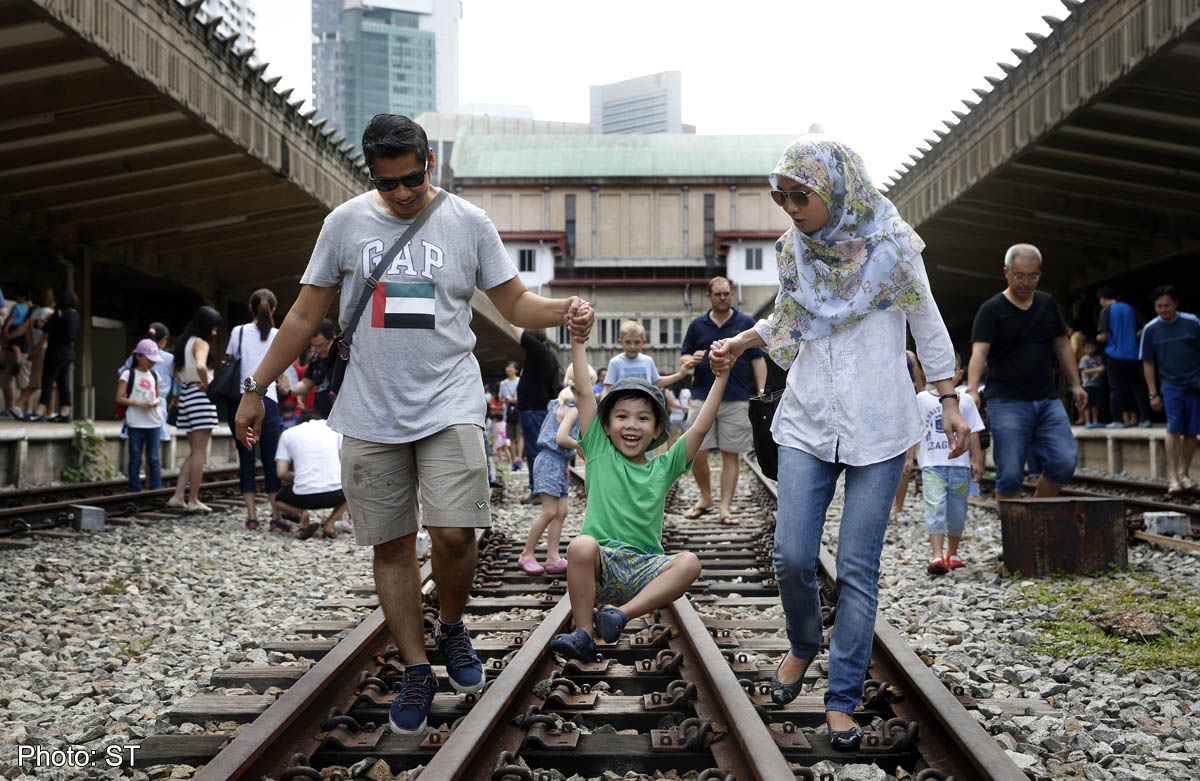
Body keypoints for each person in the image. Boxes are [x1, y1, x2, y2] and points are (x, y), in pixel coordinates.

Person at [233, 113, 594, 737]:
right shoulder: (343, 224)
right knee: (393, 544)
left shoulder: (467, 222)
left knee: (455, 535)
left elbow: (512, 304)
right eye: (388, 182)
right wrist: (255, 387)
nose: (402, 193)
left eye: (411, 178)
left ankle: (451, 627)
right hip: (370, 409)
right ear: (371, 174)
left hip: (450, 400)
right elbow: (302, 316)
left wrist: (561, 307)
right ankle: (416, 666)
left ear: (429, 161)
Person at [707, 136, 969, 749]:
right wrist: (746, 340)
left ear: (838, 190)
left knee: (856, 566)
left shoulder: (894, 249)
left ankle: (843, 696)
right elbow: (794, 318)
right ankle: (803, 642)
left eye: (802, 196)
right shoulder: (793, 251)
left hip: (880, 424)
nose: (791, 208)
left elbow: (926, 318)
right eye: (783, 198)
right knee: (793, 555)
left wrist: (949, 397)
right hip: (808, 417)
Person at [550, 305, 716, 661]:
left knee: (689, 563)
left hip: (644, 568)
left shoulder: (664, 465)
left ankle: (618, 615)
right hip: (602, 562)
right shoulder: (597, 450)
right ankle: (583, 633)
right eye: (621, 416)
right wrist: (579, 341)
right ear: (606, 425)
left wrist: (720, 378)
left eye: (643, 418)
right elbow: (582, 393)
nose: (631, 425)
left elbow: (700, 426)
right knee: (580, 545)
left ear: (658, 430)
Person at [967, 244, 1086, 504]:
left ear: (1039, 275)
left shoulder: (1047, 304)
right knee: (1009, 474)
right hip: (1006, 402)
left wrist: (1076, 384)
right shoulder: (992, 309)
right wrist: (973, 389)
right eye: (1019, 275)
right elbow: (980, 352)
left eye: (1032, 276)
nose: (1026, 282)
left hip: (1047, 399)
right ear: (1006, 273)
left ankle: (1035, 513)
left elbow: (1063, 345)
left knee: (1064, 462)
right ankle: (1014, 533)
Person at [678, 277, 766, 525]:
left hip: (736, 397)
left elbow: (757, 358)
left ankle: (725, 508)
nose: (723, 298)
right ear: (709, 296)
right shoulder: (697, 325)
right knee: (696, 452)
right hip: (701, 397)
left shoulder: (745, 323)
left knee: (731, 454)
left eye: (726, 294)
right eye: (718, 294)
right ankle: (705, 498)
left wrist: (760, 390)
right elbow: (683, 357)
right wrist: (690, 359)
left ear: (731, 295)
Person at [519, 362, 595, 576]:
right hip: (551, 461)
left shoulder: (560, 403)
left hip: (559, 463)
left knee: (561, 511)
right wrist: (580, 445)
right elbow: (561, 438)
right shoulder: (571, 410)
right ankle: (527, 554)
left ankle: (553, 557)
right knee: (550, 511)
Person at [914, 352, 985, 574]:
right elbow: (914, 431)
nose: (946, 373)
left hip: (960, 466)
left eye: (952, 369)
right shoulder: (922, 399)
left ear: (960, 374)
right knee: (934, 506)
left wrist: (977, 460)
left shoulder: (966, 401)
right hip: (932, 464)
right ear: (929, 372)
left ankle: (952, 552)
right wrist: (907, 459)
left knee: (957, 509)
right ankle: (936, 555)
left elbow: (973, 432)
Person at [226, 289, 288, 532]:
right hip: (269, 401)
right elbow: (282, 375)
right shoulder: (279, 335)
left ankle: (251, 517)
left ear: (251, 309)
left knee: (247, 458)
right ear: (272, 310)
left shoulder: (237, 332)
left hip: (241, 401)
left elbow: (231, 360)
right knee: (271, 459)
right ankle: (276, 515)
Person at [1140, 285, 1200, 494]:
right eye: (1159, 306)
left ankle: (1184, 473)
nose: (1163, 310)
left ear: (1176, 304)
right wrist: (1152, 392)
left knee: (1192, 431)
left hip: (1194, 385)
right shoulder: (1151, 329)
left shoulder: (1193, 323)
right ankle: (1173, 476)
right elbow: (1148, 363)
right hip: (1170, 386)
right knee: (1174, 428)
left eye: (1167, 305)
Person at [169, 305, 222, 512]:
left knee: (193, 451)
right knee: (200, 452)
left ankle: (178, 495)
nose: (215, 332)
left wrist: (189, 382)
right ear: (206, 327)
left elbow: (175, 371)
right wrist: (208, 384)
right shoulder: (201, 343)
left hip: (187, 394)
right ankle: (193, 499)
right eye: (214, 328)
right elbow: (201, 366)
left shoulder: (183, 343)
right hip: (201, 396)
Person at [275, 409, 350, 539]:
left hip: (304, 497)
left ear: (298, 422)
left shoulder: (287, 434)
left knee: (278, 501)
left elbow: (281, 473)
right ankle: (329, 525)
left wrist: (298, 477)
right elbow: (345, 462)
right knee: (351, 494)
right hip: (335, 494)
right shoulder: (334, 428)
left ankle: (301, 514)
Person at [116, 323, 174, 487]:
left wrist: (155, 402)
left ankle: (156, 489)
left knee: (154, 458)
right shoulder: (130, 374)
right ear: (139, 356)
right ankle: (135, 488)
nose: (152, 363)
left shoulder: (155, 374)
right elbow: (119, 397)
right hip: (135, 421)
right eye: (149, 359)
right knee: (135, 457)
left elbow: (157, 395)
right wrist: (139, 404)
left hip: (154, 420)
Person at [515, 327, 561, 503]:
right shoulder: (548, 354)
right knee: (538, 449)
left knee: (534, 451)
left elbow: (515, 328)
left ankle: (538, 490)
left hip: (533, 410)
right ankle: (542, 488)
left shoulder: (538, 350)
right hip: (537, 409)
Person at [1097, 287, 1151, 428]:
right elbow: (1146, 326)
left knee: (1116, 388)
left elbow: (1103, 335)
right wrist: (1135, 336)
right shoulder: (1130, 308)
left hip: (1114, 354)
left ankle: (1118, 420)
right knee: (1138, 387)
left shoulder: (1106, 311)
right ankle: (1145, 419)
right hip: (1133, 354)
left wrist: (1098, 338)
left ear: (1102, 299)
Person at [28, 287, 80, 423]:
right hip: (68, 353)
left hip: (55, 352)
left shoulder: (59, 312)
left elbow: (47, 328)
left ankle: (39, 412)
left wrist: (37, 323)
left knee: (47, 381)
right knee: (63, 382)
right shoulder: (75, 314)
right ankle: (65, 412)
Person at [601, 320, 690, 393]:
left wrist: (680, 375)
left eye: (637, 342)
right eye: (628, 342)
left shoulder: (648, 360)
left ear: (643, 342)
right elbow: (607, 388)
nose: (632, 346)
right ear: (621, 342)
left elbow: (656, 382)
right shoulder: (615, 362)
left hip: (645, 406)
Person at [890, 350, 926, 525]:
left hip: (904, 413)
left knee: (904, 464)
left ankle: (898, 510)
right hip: (881, 412)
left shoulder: (909, 356)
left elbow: (919, 389)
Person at [14, 288, 54, 419]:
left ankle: (47, 411)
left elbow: (29, 334)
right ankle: (19, 405)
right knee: (43, 382)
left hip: (36, 349)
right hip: (46, 349)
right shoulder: (49, 313)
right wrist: (39, 348)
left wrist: (32, 348)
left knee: (39, 381)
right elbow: (47, 334)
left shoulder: (35, 312)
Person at [291, 319, 336, 418]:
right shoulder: (316, 358)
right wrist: (290, 386)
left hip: (337, 417)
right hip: (319, 416)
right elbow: (306, 384)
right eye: (314, 346)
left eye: (321, 345)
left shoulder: (343, 356)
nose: (318, 350)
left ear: (333, 339)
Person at [0, 287, 32, 418]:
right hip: (17, 348)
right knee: (13, 381)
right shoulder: (30, 311)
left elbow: (9, 318)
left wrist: (6, 331)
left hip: (15, 340)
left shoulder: (18, 308)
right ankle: (26, 411)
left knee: (23, 382)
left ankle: (22, 409)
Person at [498, 361, 522, 470]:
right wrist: (506, 400)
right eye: (507, 367)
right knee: (511, 438)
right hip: (509, 413)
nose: (508, 369)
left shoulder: (520, 381)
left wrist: (515, 400)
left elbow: (524, 396)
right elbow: (500, 398)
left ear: (516, 370)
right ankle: (513, 460)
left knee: (520, 436)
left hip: (520, 411)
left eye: (511, 367)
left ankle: (520, 459)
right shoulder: (503, 383)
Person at [1079, 340, 1105, 429]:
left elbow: (1102, 369)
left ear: (1096, 348)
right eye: (1087, 348)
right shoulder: (1084, 359)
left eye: (1092, 347)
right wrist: (1097, 369)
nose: (1090, 350)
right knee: (1087, 404)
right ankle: (1087, 421)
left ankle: (1095, 421)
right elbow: (1085, 370)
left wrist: (1101, 370)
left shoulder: (1098, 358)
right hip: (1087, 384)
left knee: (1096, 404)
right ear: (1084, 349)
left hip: (1096, 384)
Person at [665, 379, 691, 448]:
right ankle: (681, 453)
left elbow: (669, 408)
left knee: (671, 438)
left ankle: (671, 455)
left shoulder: (670, 393)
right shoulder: (687, 392)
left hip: (673, 418)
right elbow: (689, 403)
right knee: (683, 439)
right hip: (684, 418)